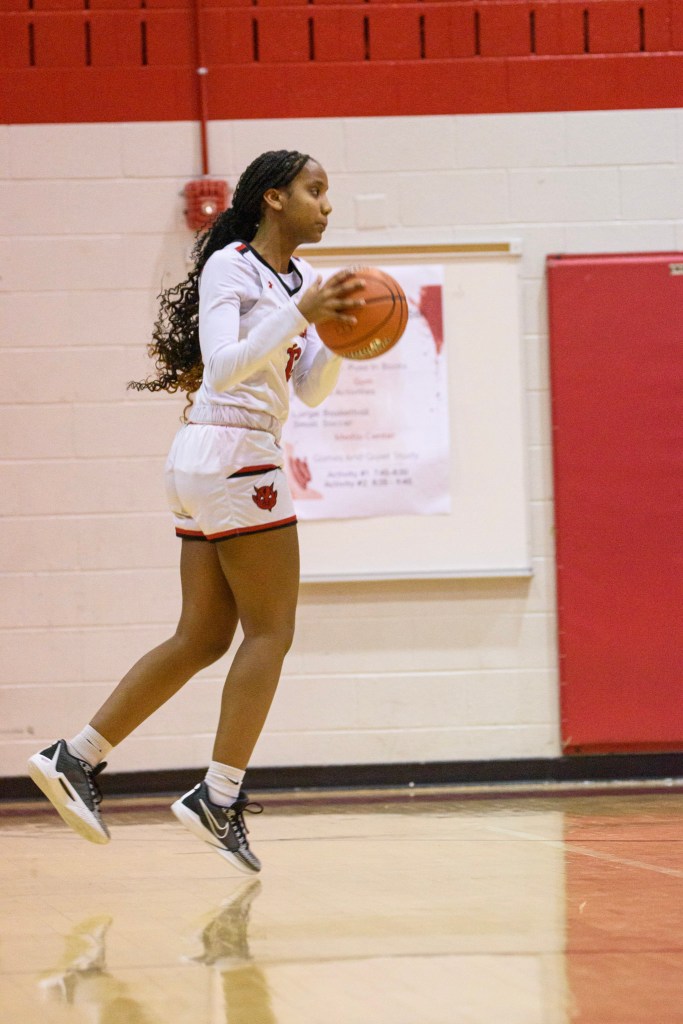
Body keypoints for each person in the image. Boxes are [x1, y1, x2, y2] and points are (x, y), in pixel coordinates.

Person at [27, 150, 363, 874]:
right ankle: (219, 795)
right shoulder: (230, 267)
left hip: (212, 457)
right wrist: (300, 314)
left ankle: (75, 757)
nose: (327, 204)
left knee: (204, 635)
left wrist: (343, 339)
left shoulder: (299, 279)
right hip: (235, 451)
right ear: (273, 198)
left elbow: (308, 389)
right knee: (271, 631)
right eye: (315, 190)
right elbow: (223, 364)